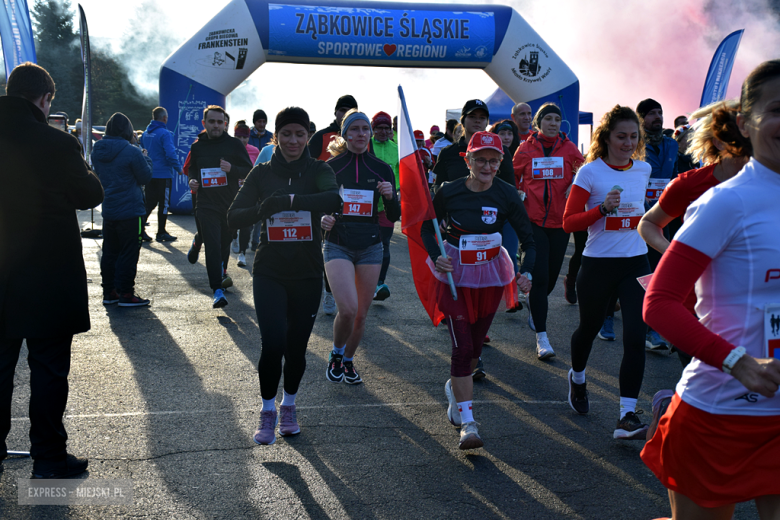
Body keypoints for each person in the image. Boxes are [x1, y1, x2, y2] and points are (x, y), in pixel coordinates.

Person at [641, 60, 780, 518]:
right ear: (745, 123)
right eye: (778, 109)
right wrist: (736, 362)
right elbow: (659, 304)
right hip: (719, 414)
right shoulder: (726, 202)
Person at [0, 62, 103, 478]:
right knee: (47, 370)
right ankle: (47, 459)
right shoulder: (56, 143)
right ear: (45, 100)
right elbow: (89, 193)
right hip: (47, 276)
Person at [227, 107, 341, 445]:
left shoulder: (318, 168)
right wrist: (266, 208)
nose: (293, 140)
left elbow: (334, 197)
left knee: (296, 348)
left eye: (300, 134)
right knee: (273, 342)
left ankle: (289, 404)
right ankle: (267, 410)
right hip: (270, 270)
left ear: (308, 136)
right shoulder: (261, 173)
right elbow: (234, 216)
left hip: (306, 272)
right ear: (277, 136)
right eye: (287, 134)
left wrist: (292, 200)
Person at [422, 131, 535, 449]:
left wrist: (526, 271)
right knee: (461, 348)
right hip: (455, 275)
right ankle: (468, 424)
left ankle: (454, 389)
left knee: (474, 350)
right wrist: (436, 256)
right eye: (480, 159)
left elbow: (529, 240)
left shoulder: (507, 194)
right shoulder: (449, 191)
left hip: (490, 274)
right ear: (467, 159)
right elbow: (426, 228)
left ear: (501, 162)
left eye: (494, 160)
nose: (487, 165)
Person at [562, 105, 652, 440]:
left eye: (633, 136)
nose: (628, 143)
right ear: (607, 137)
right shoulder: (590, 173)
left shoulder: (643, 169)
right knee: (588, 328)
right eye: (621, 137)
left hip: (636, 262)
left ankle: (626, 415)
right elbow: (568, 222)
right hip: (598, 263)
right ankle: (578, 378)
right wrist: (601, 209)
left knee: (635, 337)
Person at [638, 100, 749, 369]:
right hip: (694, 311)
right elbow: (648, 223)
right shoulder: (689, 184)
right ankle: (669, 405)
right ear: (721, 142)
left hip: (749, 310)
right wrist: (673, 253)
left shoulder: (768, 186)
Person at [433, 99, 518, 377]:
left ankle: (471, 350)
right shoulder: (448, 154)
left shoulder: (500, 154)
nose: (478, 121)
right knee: (461, 325)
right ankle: (465, 347)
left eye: (483, 117)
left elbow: (507, 193)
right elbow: (436, 194)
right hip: (457, 244)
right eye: (473, 116)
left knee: (478, 322)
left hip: (489, 244)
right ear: (464, 121)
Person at [320, 109, 400, 385]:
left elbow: (394, 216)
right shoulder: (331, 167)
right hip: (338, 244)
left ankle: (349, 361)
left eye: (365, 130)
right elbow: (318, 208)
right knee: (348, 309)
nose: (361, 134)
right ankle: (336, 353)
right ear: (345, 134)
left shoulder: (381, 168)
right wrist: (323, 220)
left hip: (370, 246)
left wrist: (390, 198)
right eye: (354, 129)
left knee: (361, 315)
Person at [514, 103, 585, 359]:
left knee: (551, 280)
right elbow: (511, 173)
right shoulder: (526, 148)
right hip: (533, 222)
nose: (553, 123)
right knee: (541, 277)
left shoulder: (568, 148)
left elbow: (585, 171)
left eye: (557, 119)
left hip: (561, 221)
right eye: (548, 119)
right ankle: (542, 338)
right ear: (538, 123)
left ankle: (535, 304)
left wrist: (575, 183)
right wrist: (518, 193)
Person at [187, 105, 253, 308]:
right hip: (206, 204)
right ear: (204, 123)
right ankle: (217, 289)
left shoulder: (234, 144)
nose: (216, 125)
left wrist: (231, 168)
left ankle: (199, 241)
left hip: (230, 204)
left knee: (225, 242)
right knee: (213, 246)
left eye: (219, 122)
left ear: (225, 124)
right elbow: (192, 169)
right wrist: (192, 181)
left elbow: (249, 170)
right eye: (212, 121)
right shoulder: (198, 146)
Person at [93, 112, 154, 307]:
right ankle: (126, 293)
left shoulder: (97, 150)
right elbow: (145, 177)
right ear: (128, 131)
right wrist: (147, 158)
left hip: (109, 208)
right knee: (129, 252)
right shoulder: (132, 151)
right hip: (131, 210)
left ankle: (109, 291)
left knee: (110, 252)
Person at [636, 98, 678, 351]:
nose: (658, 117)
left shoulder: (672, 144)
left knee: (662, 268)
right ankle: (609, 314)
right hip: (639, 217)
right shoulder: (635, 144)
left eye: (660, 112)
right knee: (641, 269)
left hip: (669, 216)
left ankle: (656, 328)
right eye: (652, 113)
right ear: (642, 119)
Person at [368, 111, 399, 301]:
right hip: (366, 205)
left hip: (387, 205)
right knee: (366, 243)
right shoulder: (365, 145)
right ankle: (363, 281)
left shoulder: (396, 149)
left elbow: (402, 174)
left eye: (386, 128)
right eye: (379, 127)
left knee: (384, 245)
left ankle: (379, 283)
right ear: (373, 128)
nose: (383, 131)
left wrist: (399, 193)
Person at [141, 106, 183, 242]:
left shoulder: (145, 134)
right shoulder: (165, 134)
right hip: (163, 175)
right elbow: (170, 154)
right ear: (164, 118)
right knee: (164, 204)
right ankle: (161, 232)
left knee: (149, 203)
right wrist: (179, 168)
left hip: (149, 174)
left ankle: (140, 230)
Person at [232, 120, 260, 267]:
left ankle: (242, 253)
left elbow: (258, 171)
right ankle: (233, 236)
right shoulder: (229, 149)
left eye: (245, 137)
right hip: (230, 191)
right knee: (231, 221)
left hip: (249, 192)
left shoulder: (255, 151)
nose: (242, 140)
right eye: (239, 137)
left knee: (246, 224)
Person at [309, 95, 358, 161]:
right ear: (335, 112)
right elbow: (305, 166)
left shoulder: (364, 138)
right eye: (342, 110)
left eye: (350, 111)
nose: (346, 114)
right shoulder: (320, 136)